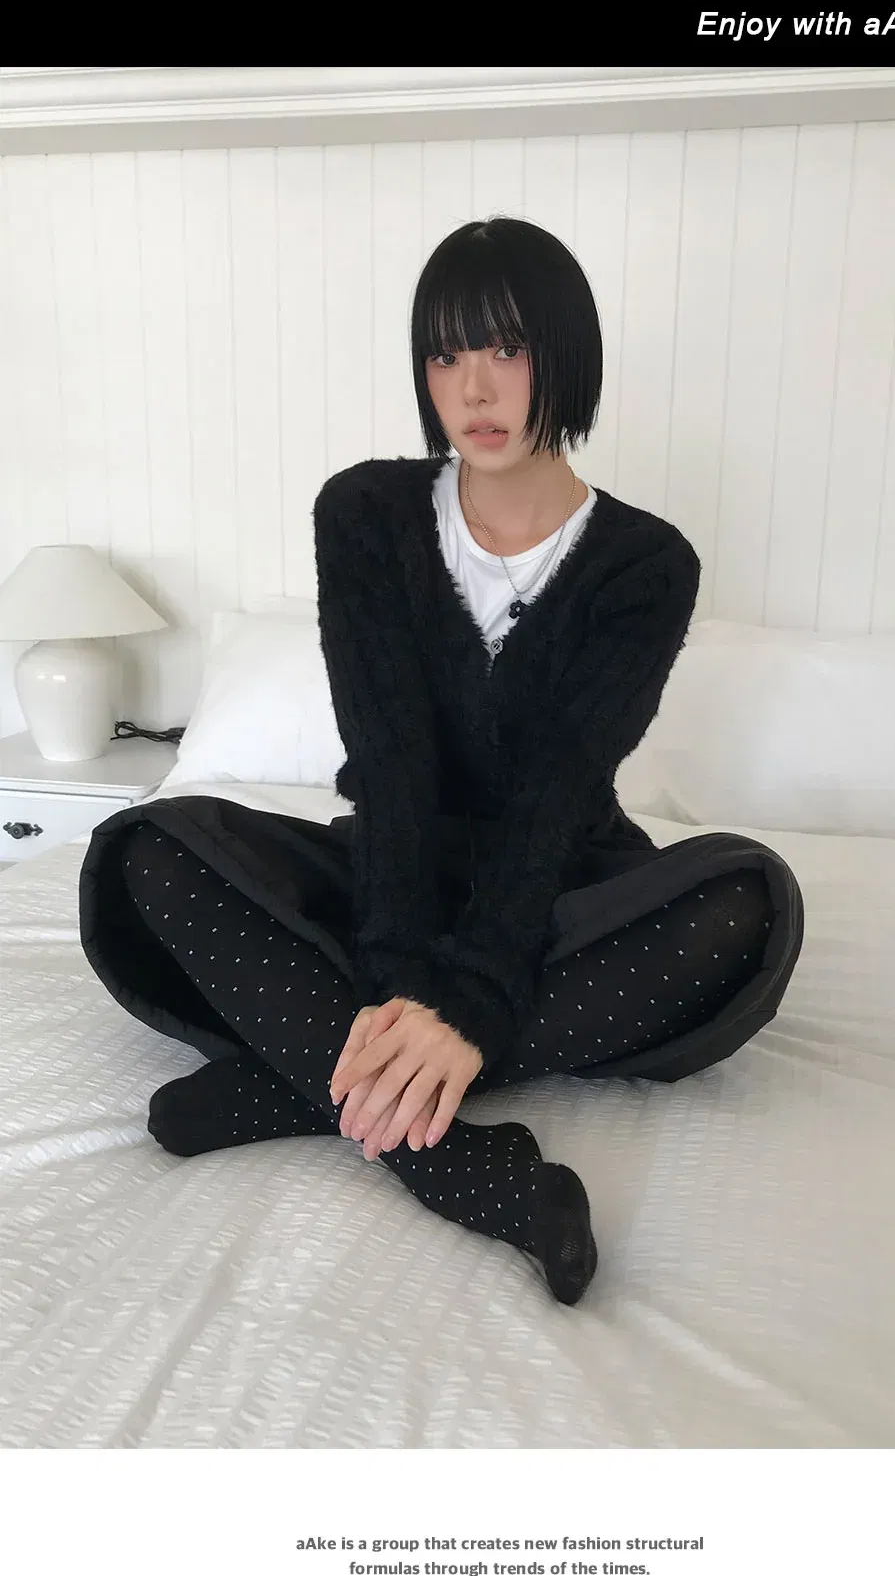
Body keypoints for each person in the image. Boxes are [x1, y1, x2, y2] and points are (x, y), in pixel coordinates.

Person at [78, 207, 805, 1292]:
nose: (473, 389)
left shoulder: (648, 565)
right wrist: (408, 978)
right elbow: (392, 762)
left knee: (746, 905)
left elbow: (555, 794)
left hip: (552, 877)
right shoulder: (365, 513)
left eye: (506, 349)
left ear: (566, 354)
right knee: (148, 853)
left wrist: (472, 998)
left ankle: (302, 1081)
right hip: (392, 864)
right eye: (445, 355)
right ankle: (463, 1166)